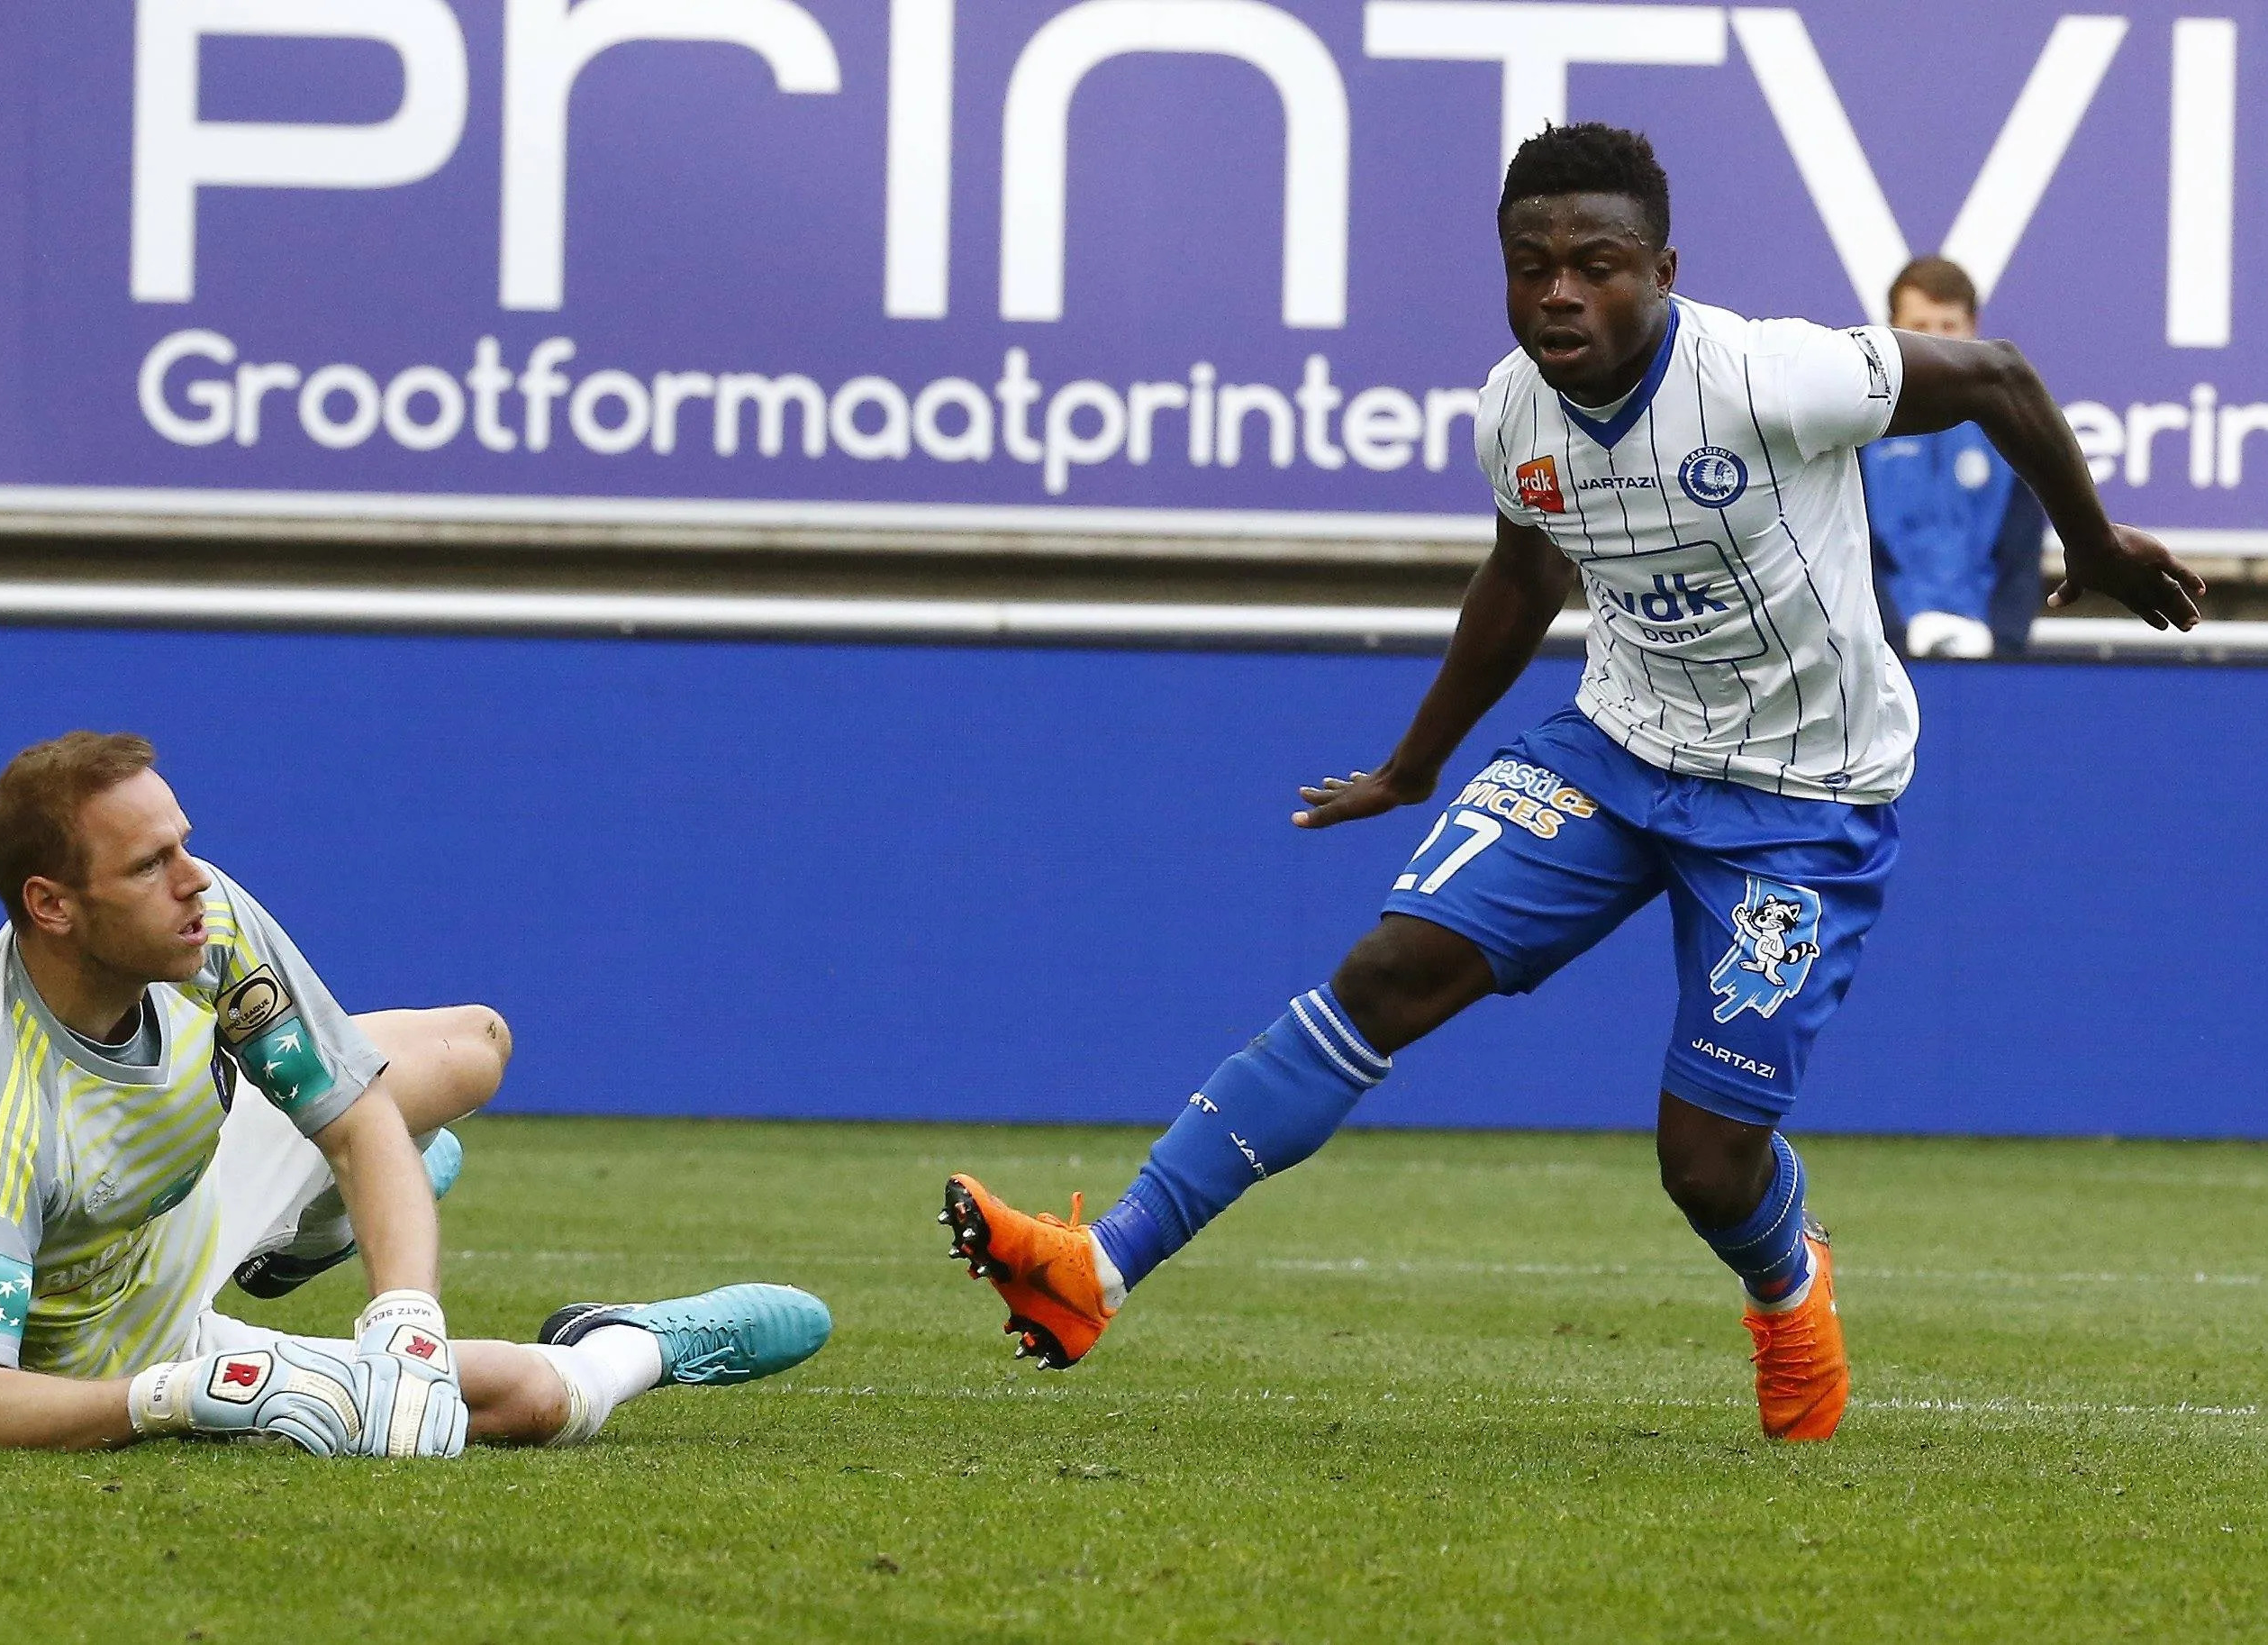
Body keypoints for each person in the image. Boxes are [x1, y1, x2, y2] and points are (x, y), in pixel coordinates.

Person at [938, 124, 2200, 1441]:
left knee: (1704, 1166)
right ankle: (1096, 1267)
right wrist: (1413, 765)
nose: (1558, 293)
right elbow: (1525, 572)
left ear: (1660, 268)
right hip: (1613, 753)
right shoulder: (1513, 407)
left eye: (1595, 264)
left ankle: (1787, 1282)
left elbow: (1993, 374)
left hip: (1802, 803)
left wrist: (2092, 539)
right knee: (1384, 974)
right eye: (1530, 265)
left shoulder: (1772, 375)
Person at [0, 731, 831, 1454]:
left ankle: (312, 1229)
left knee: (473, 1045)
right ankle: (633, 1343)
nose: (193, 881)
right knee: (534, 1400)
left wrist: (406, 1319)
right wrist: (169, 1396)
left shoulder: (195, 921)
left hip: (179, 1189)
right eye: (148, 865)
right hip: (118, 1351)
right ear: (51, 903)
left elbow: (355, 1112)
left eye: (184, 843)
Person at [1864, 257, 2048, 658]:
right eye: (1919, 327)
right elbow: (1849, 554)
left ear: (1973, 330)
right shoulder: (1858, 431)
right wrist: (1892, 636)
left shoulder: (2012, 434)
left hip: (1988, 659)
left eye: (1948, 327)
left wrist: (2001, 644)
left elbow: (2021, 561)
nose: (1934, 341)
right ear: (1890, 329)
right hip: (1879, 654)